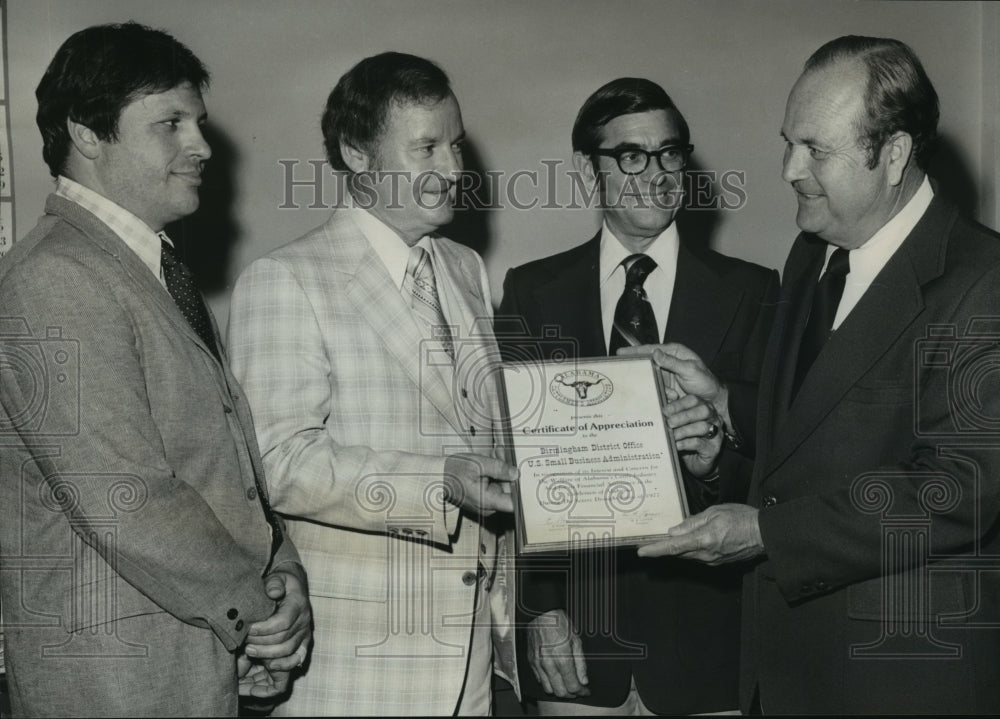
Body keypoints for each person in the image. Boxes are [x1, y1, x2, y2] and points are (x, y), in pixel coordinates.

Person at [639, 35, 1000, 714]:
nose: (788, 169)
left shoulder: (983, 281)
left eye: (816, 149)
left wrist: (765, 534)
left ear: (892, 154)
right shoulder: (813, 254)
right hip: (788, 673)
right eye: (787, 142)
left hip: (904, 678)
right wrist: (723, 404)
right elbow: (818, 420)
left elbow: (958, 488)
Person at [0, 22, 311, 717]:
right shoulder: (53, 278)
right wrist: (259, 610)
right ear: (86, 133)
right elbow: (127, 498)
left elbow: (223, 466)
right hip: (116, 688)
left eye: (197, 122)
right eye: (169, 123)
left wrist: (278, 574)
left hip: (190, 671)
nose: (201, 145)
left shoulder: (152, 268)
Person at [227, 52, 519, 716]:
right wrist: (438, 480)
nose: (455, 169)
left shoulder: (465, 267)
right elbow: (278, 462)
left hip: (471, 655)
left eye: (456, 143)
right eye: (426, 149)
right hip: (359, 665)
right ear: (357, 154)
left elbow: (482, 427)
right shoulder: (285, 279)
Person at [496, 78, 778, 715]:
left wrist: (713, 459)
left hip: (708, 646)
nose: (655, 173)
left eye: (669, 153)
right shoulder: (533, 290)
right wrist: (540, 609)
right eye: (630, 155)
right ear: (587, 171)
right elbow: (518, 471)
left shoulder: (754, 291)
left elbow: (778, 462)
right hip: (578, 646)